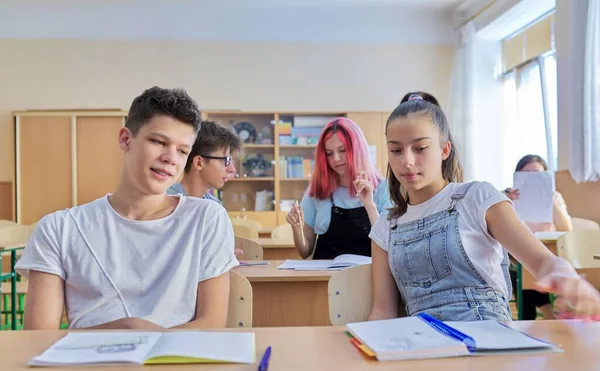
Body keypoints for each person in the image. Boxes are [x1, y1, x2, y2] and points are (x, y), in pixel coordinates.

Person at [16, 86, 238, 330]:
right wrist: (122, 330)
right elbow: (38, 339)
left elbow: (212, 325)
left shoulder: (207, 218)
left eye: (182, 151)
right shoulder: (58, 229)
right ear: (125, 139)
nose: (170, 158)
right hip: (86, 365)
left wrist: (140, 337)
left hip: (177, 364)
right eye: (158, 141)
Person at [368, 93, 600, 322]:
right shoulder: (386, 226)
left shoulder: (477, 198)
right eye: (396, 150)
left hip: (489, 339)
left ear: (444, 150)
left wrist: (567, 277)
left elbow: (543, 261)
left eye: (420, 148)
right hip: (422, 345)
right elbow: (383, 311)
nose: (406, 161)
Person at [286, 117, 391, 259]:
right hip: (325, 278)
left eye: (342, 150)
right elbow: (305, 252)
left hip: (367, 278)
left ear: (357, 150)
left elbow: (388, 244)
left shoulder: (382, 189)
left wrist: (370, 205)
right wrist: (297, 227)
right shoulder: (318, 189)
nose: (336, 158)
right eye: (329, 153)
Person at [505, 154, 573, 320]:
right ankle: (547, 313)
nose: (532, 179)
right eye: (526, 174)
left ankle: (529, 321)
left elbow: (566, 229)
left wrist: (549, 198)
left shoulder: (555, 196)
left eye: (537, 174)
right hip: (518, 257)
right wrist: (506, 202)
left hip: (548, 252)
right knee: (521, 269)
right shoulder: (509, 196)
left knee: (529, 272)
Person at [167, 120, 241, 203]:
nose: (232, 169)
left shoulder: (215, 205)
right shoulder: (166, 200)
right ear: (199, 163)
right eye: (226, 160)